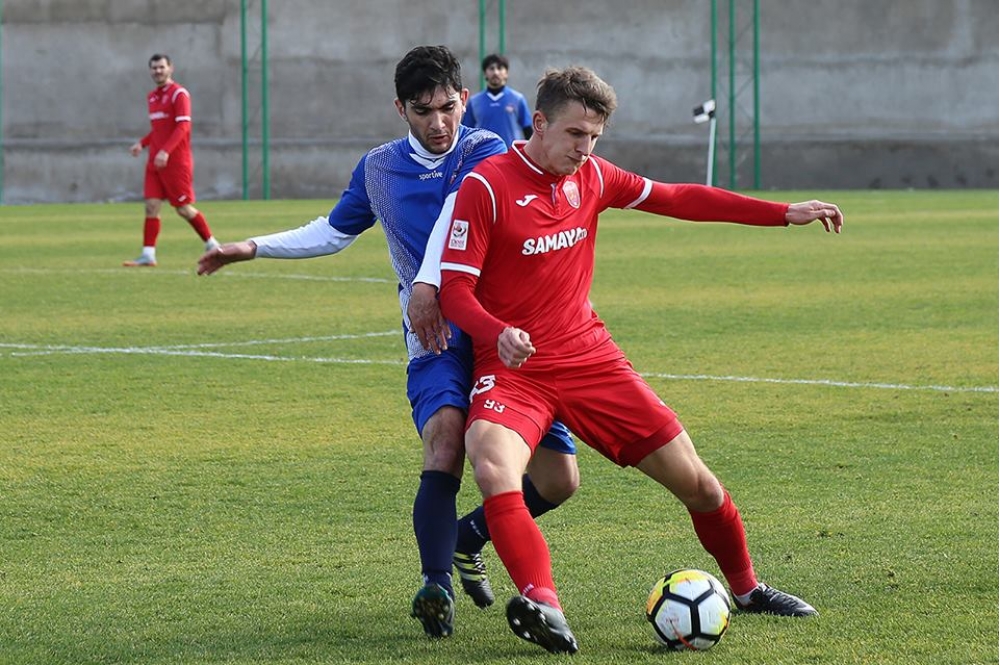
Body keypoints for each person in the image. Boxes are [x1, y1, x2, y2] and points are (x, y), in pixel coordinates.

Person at [438, 65, 845, 655]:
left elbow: (680, 197)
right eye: (575, 134)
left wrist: (781, 211)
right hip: (513, 370)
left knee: (699, 485)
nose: (585, 148)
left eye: (594, 137)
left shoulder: (595, 176)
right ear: (540, 123)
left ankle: (748, 589)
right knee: (493, 464)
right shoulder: (487, 186)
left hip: (590, 360)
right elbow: (454, 292)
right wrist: (497, 332)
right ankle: (543, 603)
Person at [196, 45, 579, 639]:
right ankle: (436, 585)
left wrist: (428, 282)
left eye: (447, 108)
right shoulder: (378, 168)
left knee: (559, 481)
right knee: (444, 441)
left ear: (465, 100)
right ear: (400, 109)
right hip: (433, 338)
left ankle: (465, 537)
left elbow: (458, 215)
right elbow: (332, 230)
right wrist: (250, 247)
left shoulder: (486, 150)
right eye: (422, 111)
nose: (438, 123)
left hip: (500, 332)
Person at [124, 53, 219, 267]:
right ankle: (148, 255)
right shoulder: (152, 97)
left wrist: (166, 151)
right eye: (154, 68)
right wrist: (142, 143)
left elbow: (183, 126)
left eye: (161, 67)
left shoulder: (179, 94)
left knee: (183, 208)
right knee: (151, 206)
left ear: (170, 68)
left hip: (175, 162)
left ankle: (212, 244)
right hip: (154, 162)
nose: (158, 71)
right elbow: (159, 130)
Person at [462, 53, 533, 147]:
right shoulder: (474, 102)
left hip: (510, 153)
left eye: (500, 68)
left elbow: (528, 130)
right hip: (484, 153)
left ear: (506, 73)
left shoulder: (518, 99)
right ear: (485, 73)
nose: (495, 72)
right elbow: (465, 133)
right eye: (491, 68)